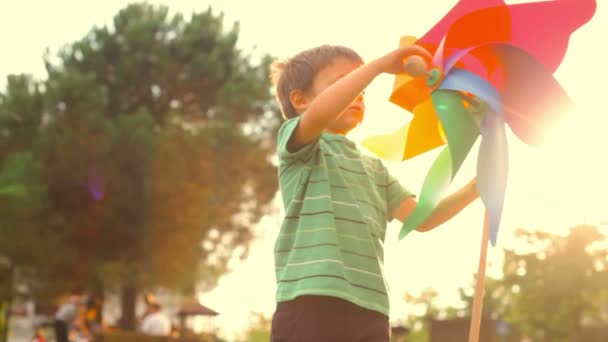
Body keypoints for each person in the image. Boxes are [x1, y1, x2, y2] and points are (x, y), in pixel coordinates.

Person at [269, 44, 480, 342]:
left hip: (370, 307)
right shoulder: (300, 146)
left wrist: (475, 189)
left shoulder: (375, 170)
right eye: (345, 83)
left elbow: (422, 218)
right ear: (300, 100)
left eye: (363, 90)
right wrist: (377, 67)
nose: (358, 93)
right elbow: (319, 115)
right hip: (310, 300)